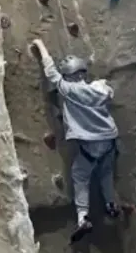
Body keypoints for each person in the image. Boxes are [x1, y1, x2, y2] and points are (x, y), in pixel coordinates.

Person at [29, 39, 121, 243]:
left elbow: (51, 73)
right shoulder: (99, 88)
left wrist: (41, 46)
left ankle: (83, 218)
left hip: (90, 144)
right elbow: (108, 92)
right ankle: (111, 205)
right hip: (110, 140)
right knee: (106, 173)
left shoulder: (69, 90)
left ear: (68, 76)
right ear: (83, 72)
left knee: (80, 176)